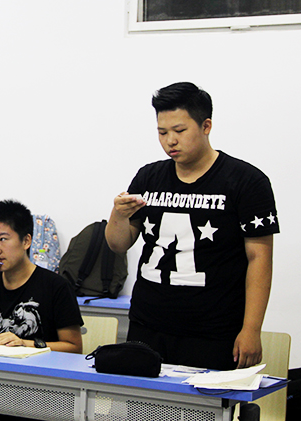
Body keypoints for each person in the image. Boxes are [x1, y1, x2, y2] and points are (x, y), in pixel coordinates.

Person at [105, 82, 279, 370]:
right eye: (162, 133)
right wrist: (118, 214)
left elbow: (260, 258)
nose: (170, 141)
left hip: (212, 331)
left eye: (180, 131)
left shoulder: (246, 181)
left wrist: (251, 328)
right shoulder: (149, 176)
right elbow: (118, 244)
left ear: (206, 126)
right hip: (148, 324)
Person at [0, 200, 83, 354]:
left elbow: (74, 348)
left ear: (26, 241)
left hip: (38, 368)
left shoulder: (56, 286)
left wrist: (25, 344)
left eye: (3, 239)